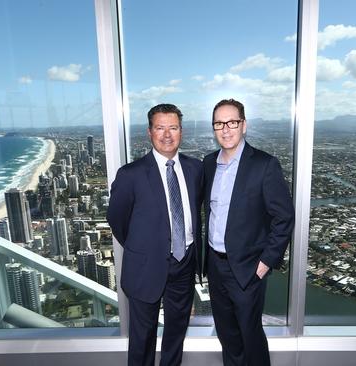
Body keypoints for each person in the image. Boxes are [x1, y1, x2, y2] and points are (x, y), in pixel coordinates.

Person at [107, 103, 202, 366]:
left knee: (176, 332)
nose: (167, 134)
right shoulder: (130, 175)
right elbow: (117, 220)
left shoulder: (195, 169)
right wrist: (144, 248)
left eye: (173, 127)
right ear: (150, 132)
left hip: (184, 263)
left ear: (181, 131)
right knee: (142, 337)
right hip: (145, 266)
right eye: (160, 128)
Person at [203, 99, 295, 365]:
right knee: (227, 335)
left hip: (247, 268)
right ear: (214, 128)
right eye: (219, 123)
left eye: (232, 122)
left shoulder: (265, 165)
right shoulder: (209, 163)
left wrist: (265, 264)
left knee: (250, 336)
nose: (226, 129)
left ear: (244, 125)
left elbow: (284, 217)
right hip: (215, 266)